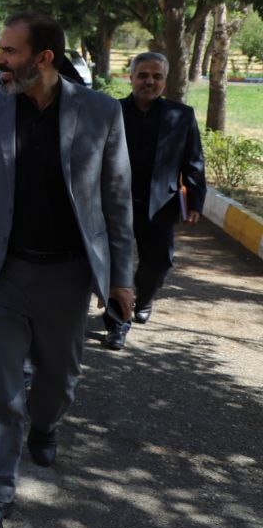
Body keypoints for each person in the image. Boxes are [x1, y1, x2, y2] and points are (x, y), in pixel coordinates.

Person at [0, 13, 135, 528]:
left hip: (67, 276)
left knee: (58, 380)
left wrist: (121, 276)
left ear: (44, 58)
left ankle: (46, 423)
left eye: (10, 51)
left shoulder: (101, 112)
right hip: (1, 273)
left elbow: (117, 201)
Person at [102, 51, 206, 350]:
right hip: (116, 204)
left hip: (161, 205)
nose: (149, 81)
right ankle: (117, 324)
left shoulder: (181, 115)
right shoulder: (112, 111)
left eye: (156, 76)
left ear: (165, 81)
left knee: (159, 262)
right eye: (143, 75)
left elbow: (194, 161)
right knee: (117, 266)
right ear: (131, 78)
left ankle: (144, 299)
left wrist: (195, 202)